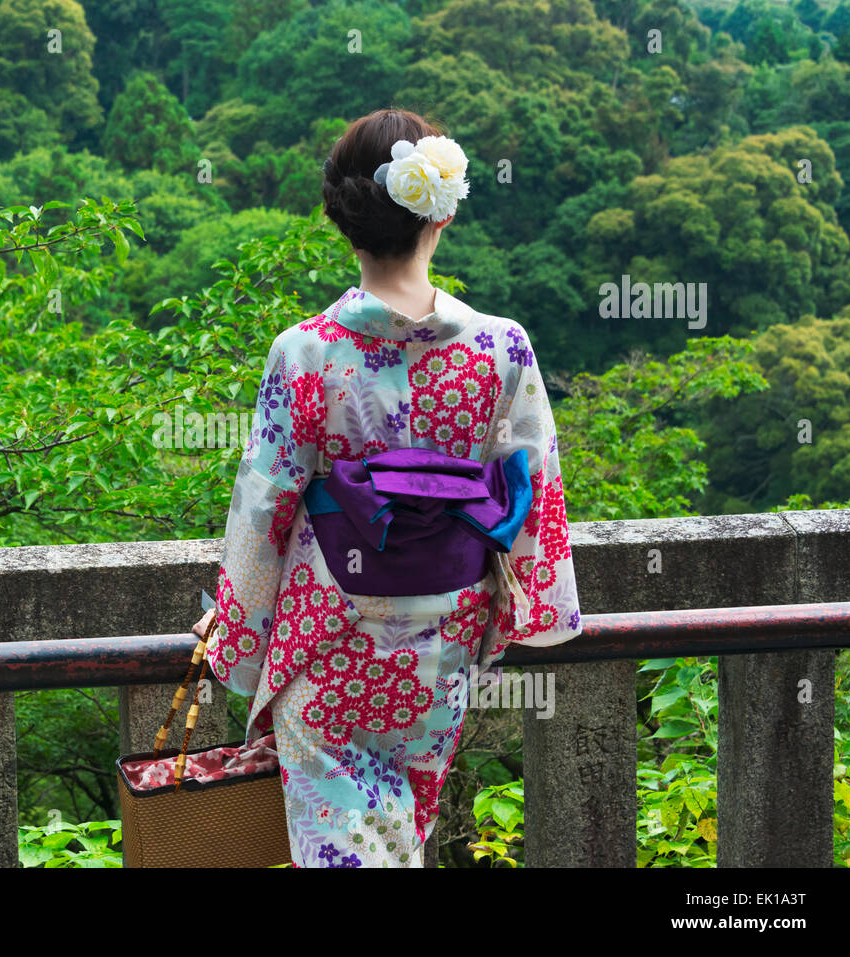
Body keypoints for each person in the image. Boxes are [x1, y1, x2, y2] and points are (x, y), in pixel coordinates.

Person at [190, 108, 583, 867]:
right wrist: (529, 615)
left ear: (347, 222)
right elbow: (536, 492)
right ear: (440, 212)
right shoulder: (503, 347)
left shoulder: (305, 351)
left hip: (329, 647)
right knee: (401, 842)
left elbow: (263, 505)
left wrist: (234, 632)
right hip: (439, 653)